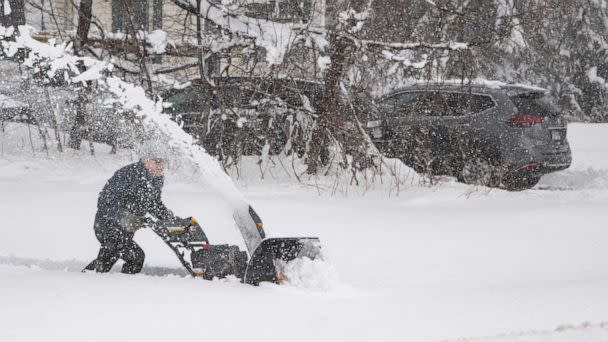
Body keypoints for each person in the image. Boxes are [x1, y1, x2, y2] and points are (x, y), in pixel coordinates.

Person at [84, 145, 177, 274]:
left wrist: (169, 218)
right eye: (157, 161)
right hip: (108, 226)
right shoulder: (128, 174)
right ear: (146, 160)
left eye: (164, 161)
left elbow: (153, 203)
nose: (161, 165)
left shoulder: (156, 178)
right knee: (133, 256)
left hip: (126, 230)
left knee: (114, 258)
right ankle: (97, 283)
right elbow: (105, 201)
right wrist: (125, 217)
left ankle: (93, 281)